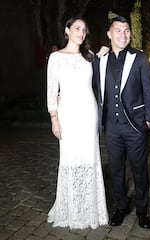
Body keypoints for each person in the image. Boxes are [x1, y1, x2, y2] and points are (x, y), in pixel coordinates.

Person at [93, 15, 150, 229]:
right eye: (118, 30)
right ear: (109, 34)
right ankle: (121, 206)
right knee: (117, 170)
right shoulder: (100, 60)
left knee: (139, 170)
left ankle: (142, 210)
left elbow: (149, 90)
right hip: (111, 127)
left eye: (127, 30)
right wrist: (61, 95)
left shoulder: (140, 58)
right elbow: (83, 79)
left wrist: (148, 119)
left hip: (135, 125)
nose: (123, 34)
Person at [46, 16, 108, 229]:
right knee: (70, 158)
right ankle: (71, 208)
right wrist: (54, 119)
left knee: (90, 157)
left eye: (84, 30)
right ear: (67, 30)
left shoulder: (89, 56)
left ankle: (91, 209)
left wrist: (103, 53)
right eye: (77, 28)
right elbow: (51, 90)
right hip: (68, 115)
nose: (81, 33)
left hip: (89, 113)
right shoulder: (55, 57)